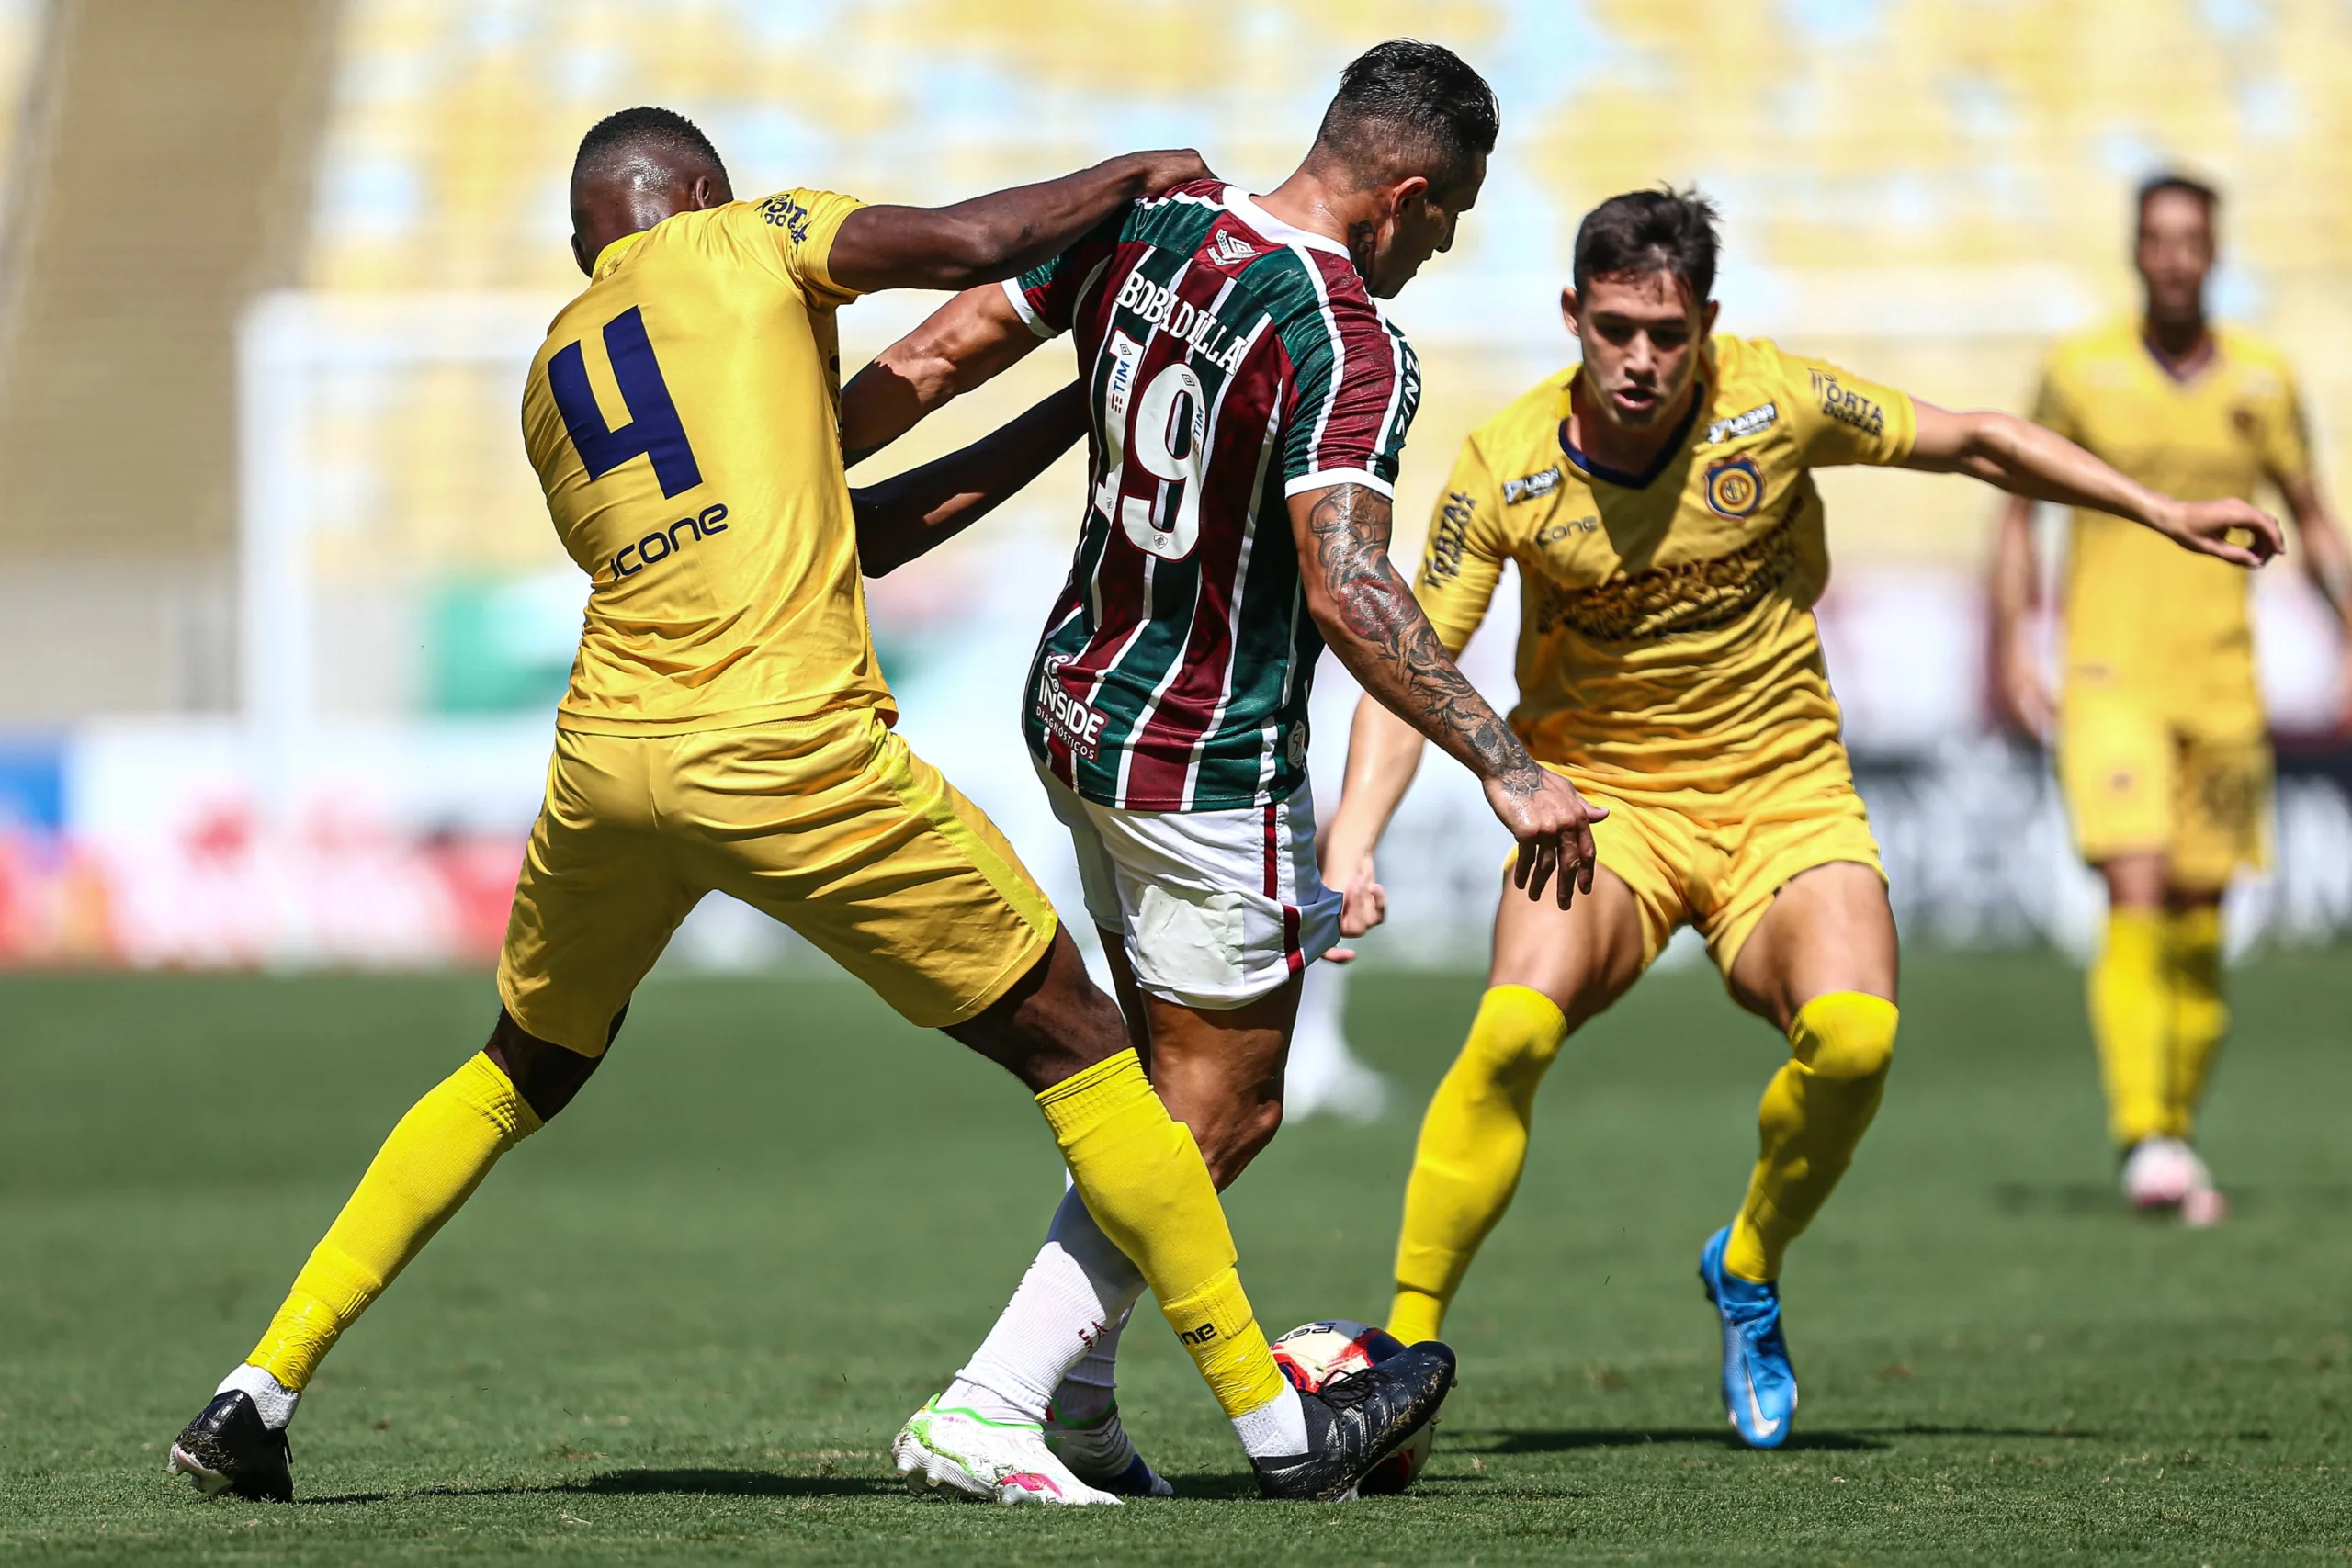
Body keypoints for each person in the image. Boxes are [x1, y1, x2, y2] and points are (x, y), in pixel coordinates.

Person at [165, 106, 1454, 1510]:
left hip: (609, 765)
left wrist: (1064, 416)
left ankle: (259, 1387)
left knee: (515, 1066)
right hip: (789, 755)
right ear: (703, 192)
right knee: (1089, 1048)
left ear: (588, 243)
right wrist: (1136, 175)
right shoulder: (752, 237)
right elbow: (974, 242)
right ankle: (1279, 1435)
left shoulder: (552, 379)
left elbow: (852, 530)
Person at [1320, 186, 2282, 1450]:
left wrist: (2160, 510)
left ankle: (1750, 1258)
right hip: (1605, 808)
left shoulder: (1778, 402)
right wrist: (1353, 837)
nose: (1642, 360)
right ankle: (1403, 1354)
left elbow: (1982, 440)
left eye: (1668, 331)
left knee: (1857, 1040)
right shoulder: (1506, 463)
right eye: (1615, 328)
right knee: (1507, 1034)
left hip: (1785, 793)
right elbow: (1412, 666)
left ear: (1708, 322)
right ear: (1574, 314)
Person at [836, 40, 1599, 1496]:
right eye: (1447, 222)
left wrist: (797, 482)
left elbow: (931, 360)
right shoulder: (1349, 339)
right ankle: (991, 1396)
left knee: (1151, 1080)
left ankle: (1079, 1391)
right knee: (1227, 1103)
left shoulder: (1146, 220)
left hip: (1073, 709)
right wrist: (1506, 763)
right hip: (1206, 759)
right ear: (1406, 194)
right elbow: (1349, 587)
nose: (1438, 250)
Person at [1990, 173, 2352, 1224]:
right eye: (2157, 238)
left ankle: (2176, 1129)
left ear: (2215, 250)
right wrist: (2016, 642)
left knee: (2202, 918)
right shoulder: (2078, 370)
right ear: (2135, 250)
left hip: (2222, 683)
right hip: (2109, 675)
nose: (2175, 256)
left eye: (2192, 239)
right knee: (2135, 887)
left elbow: (2312, 515)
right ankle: (2144, 1132)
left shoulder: (2264, 380)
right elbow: (2016, 510)